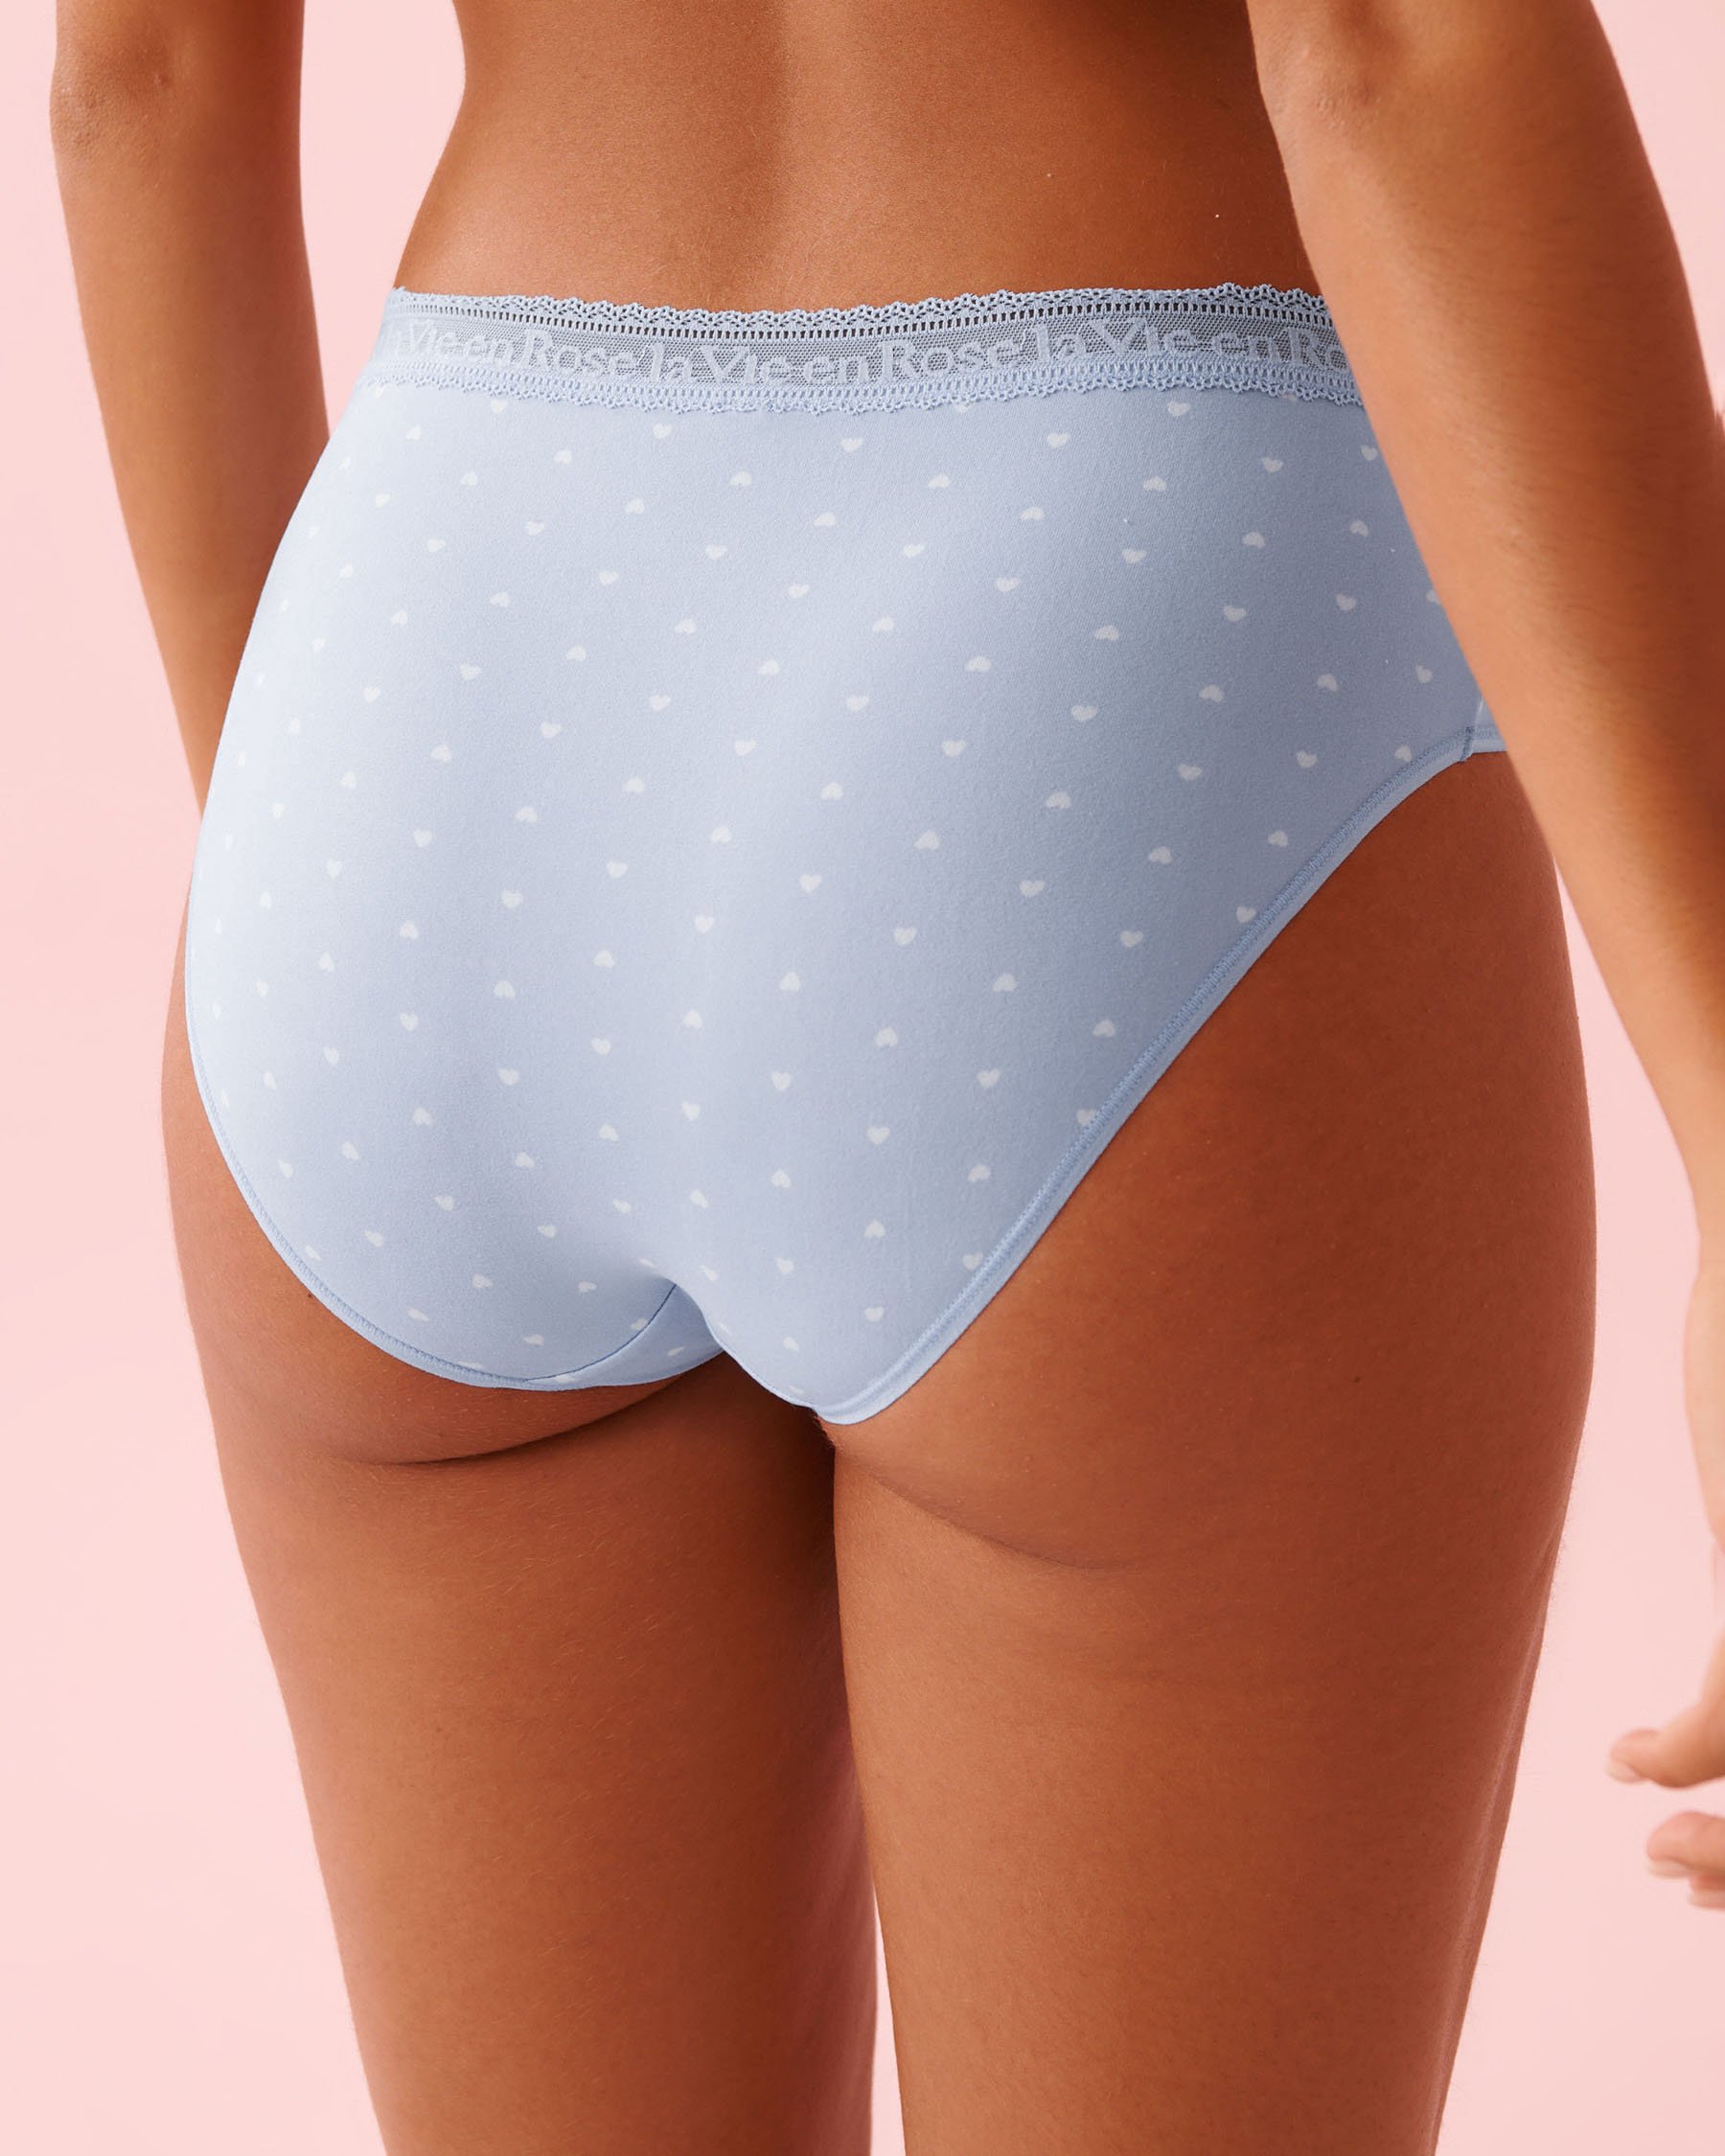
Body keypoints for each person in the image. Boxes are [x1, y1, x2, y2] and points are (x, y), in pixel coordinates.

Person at [50, 0, 1725, 2147]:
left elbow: (140, 83)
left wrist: (322, 890)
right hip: (1115, 637)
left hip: (427, 676)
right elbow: (1398, 44)